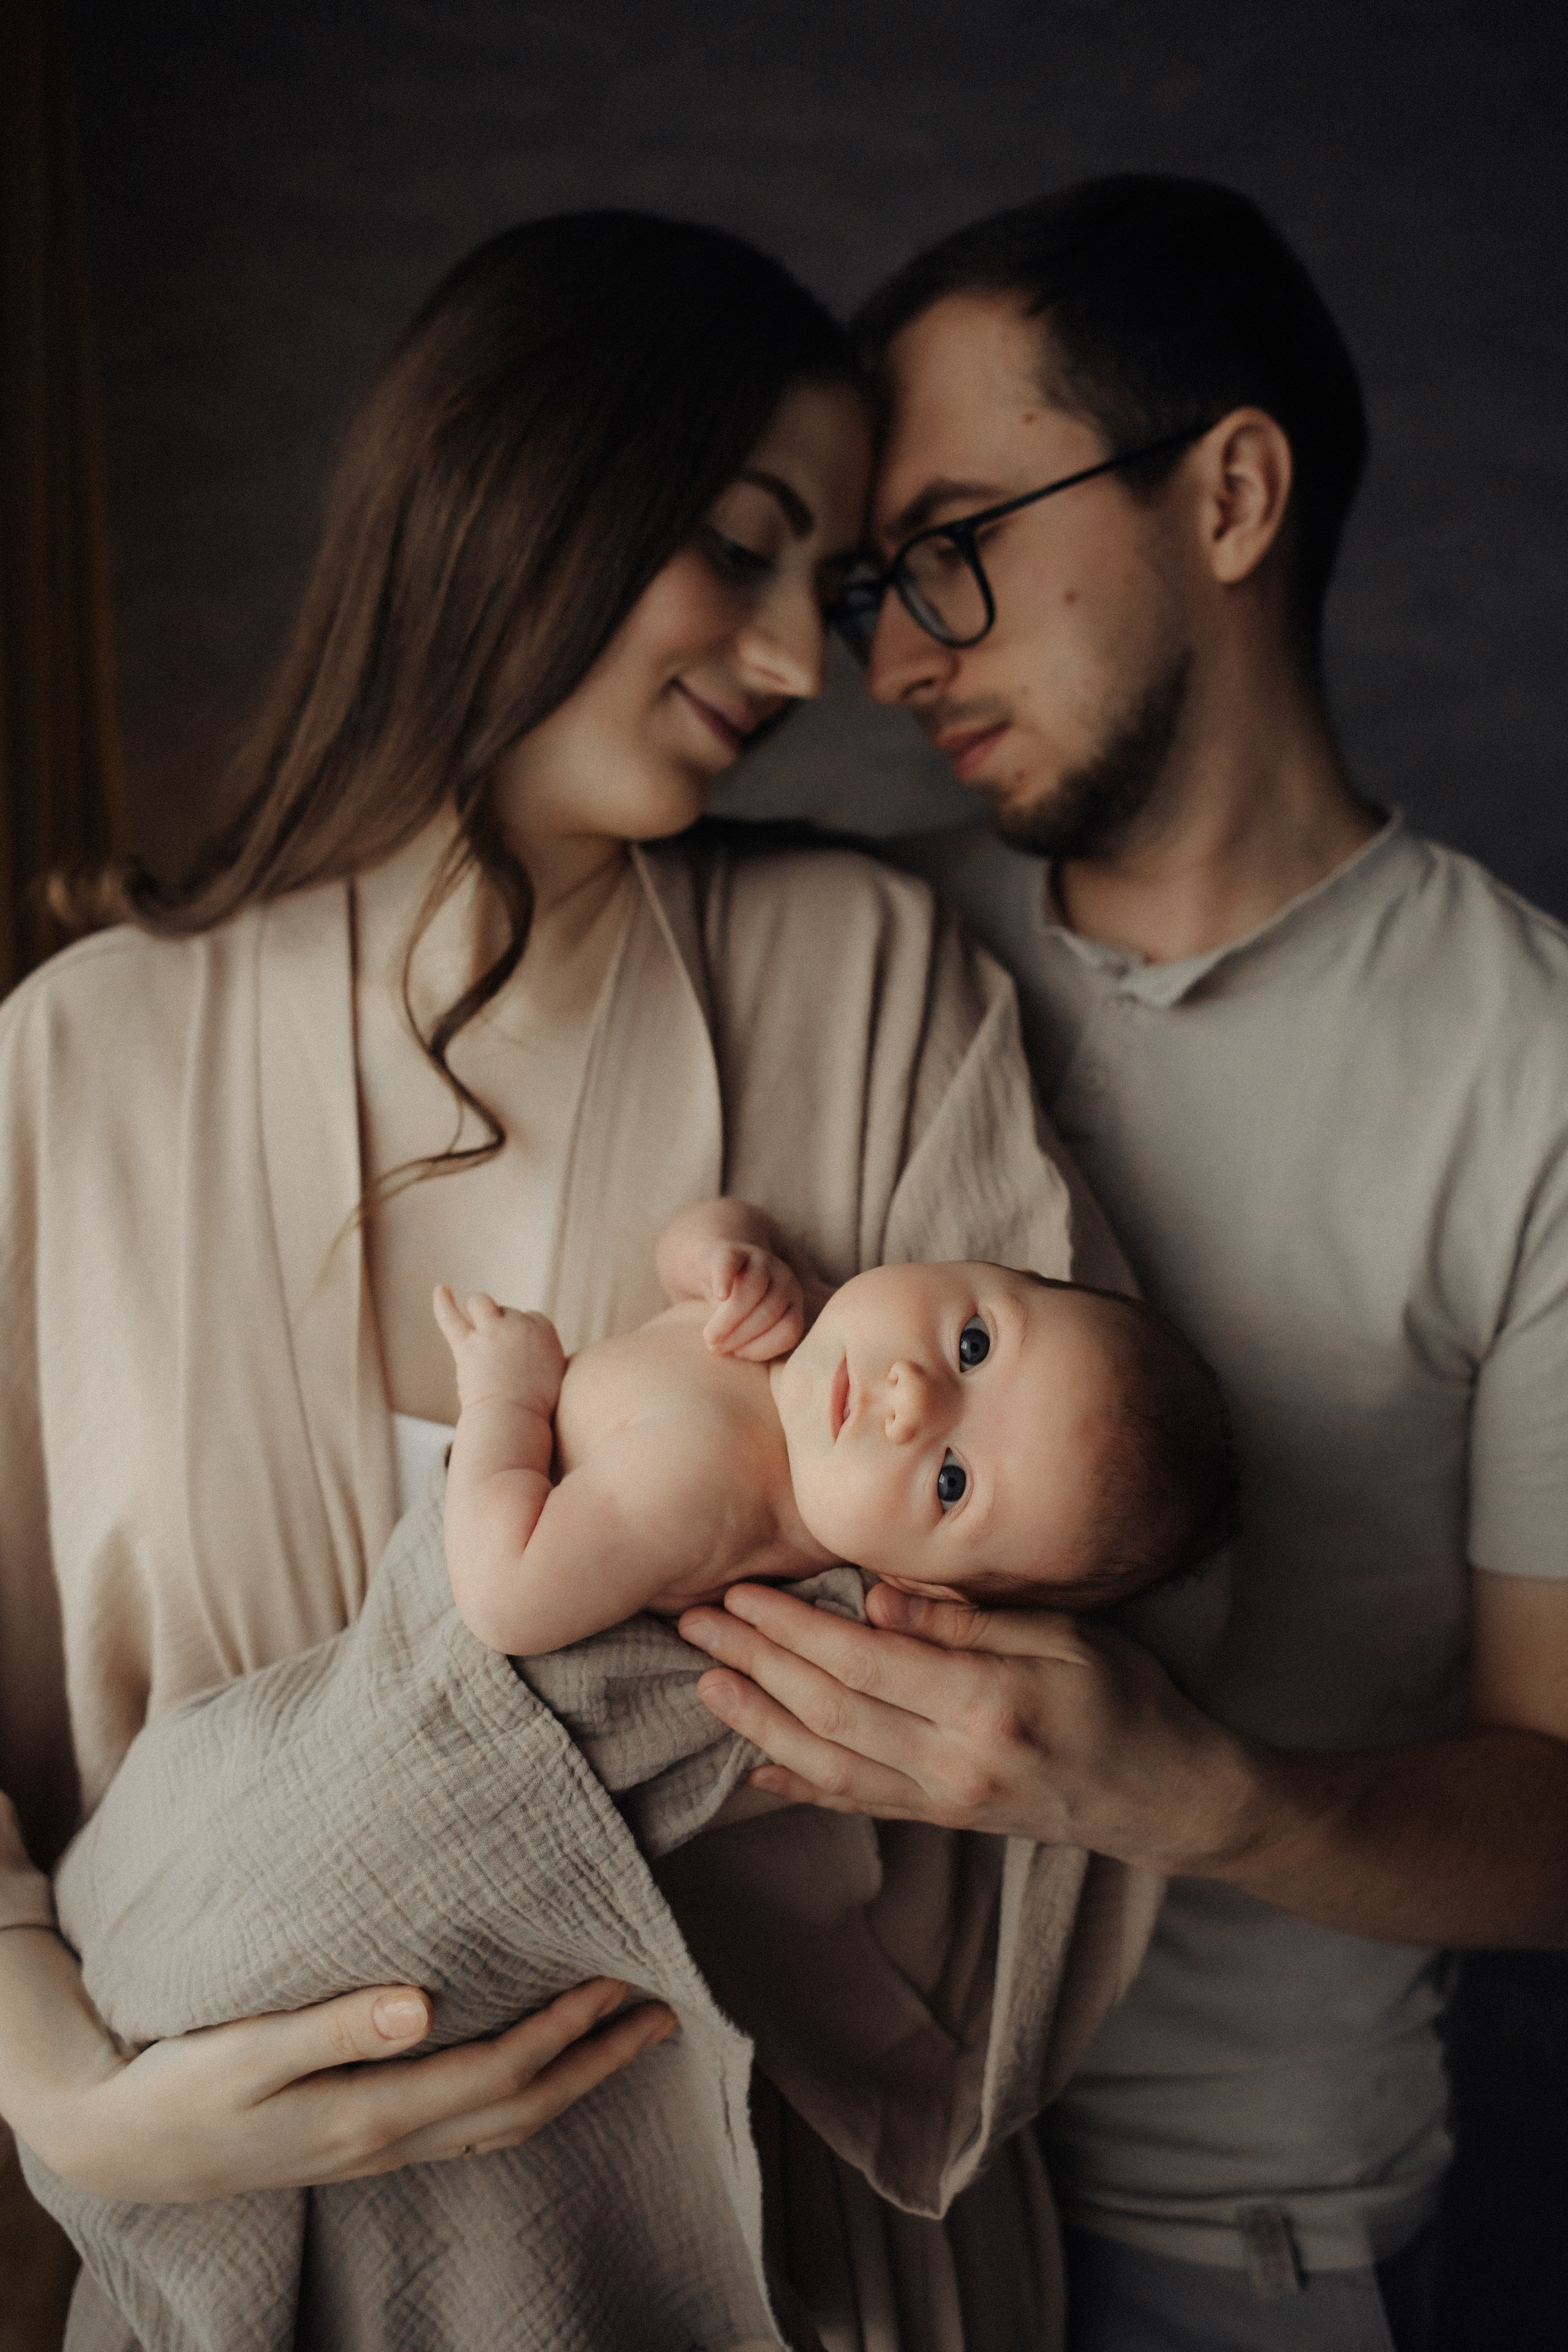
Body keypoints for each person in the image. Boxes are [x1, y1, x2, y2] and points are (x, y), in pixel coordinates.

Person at [0, 209, 1135, 2351]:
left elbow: (1064, 1606)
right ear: (512, 483)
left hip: (774, 2239)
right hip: (260, 2269)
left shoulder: (870, 981)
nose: (807, 666)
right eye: (740, 545)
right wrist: (69, 2092)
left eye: (842, 588)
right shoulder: (78, 1062)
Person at [679, 176, 1568, 2352]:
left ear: (1232, 493)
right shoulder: (846, 948)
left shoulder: (1534, 1069)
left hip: (1237, 2234)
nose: (890, 660)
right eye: (878, 582)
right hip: (794, 2208)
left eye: (955, 550)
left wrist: (1189, 1794)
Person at [435, 1196, 1236, 1654]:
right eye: (974, 1345)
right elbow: (692, 1239)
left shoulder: (705, 1484)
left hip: (458, 1513)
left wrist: (505, 1401)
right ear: (992, 1269)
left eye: (950, 1482)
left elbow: (506, 1598)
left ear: (916, 1582)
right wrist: (727, 1254)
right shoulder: (820, 1319)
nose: (912, 1401)